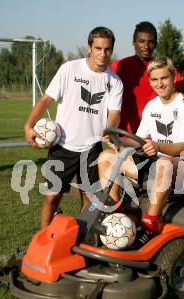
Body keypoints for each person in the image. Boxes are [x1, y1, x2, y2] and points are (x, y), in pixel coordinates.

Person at [23, 27, 123, 228]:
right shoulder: (69, 69)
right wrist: (28, 125)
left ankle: (81, 242)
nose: (103, 54)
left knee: (88, 201)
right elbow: (46, 99)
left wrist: (109, 129)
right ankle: (43, 240)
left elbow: (115, 114)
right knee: (51, 198)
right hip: (62, 147)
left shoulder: (115, 82)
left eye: (107, 49)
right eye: (98, 48)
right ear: (89, 47)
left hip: (92, 150)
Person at [99, 56, 184, 240]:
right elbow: (140, 140)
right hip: (157, 161)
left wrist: (158, 145)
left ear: (173, 78)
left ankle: (150, 223)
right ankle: (116, 214)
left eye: (164, 78)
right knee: (106, 157)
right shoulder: (151, 106)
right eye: (154, 79)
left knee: (164, 163)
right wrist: (118, 141)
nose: (159, 84)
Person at [110, 21, 184, 133]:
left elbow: (181, 84)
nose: (146, 46)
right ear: (134, 43)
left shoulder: (162, 67)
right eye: (142, 41)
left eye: (150, 42)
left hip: (156, 137)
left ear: (155, 43)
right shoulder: (119, 66)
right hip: (125, 136)